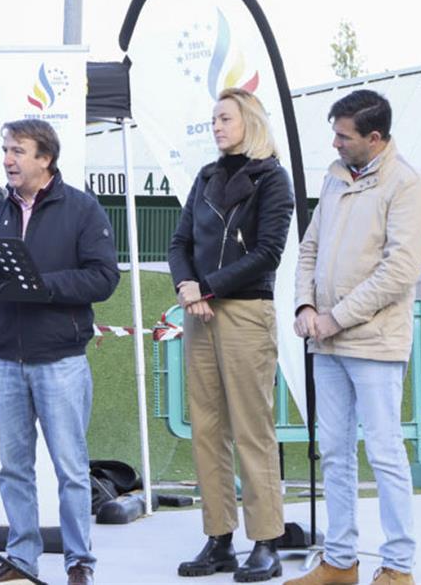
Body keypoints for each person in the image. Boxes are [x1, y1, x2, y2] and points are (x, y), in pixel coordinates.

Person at [288, 90, 421, 585]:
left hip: (373, 345)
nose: (335, 142)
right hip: (326, 343)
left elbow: (399, 271)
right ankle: (340, 560)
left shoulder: (408, 186)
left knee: (385, 453)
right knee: (333, 451)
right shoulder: (334, 179)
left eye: (344, 136)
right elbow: (309, 248)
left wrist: (337, 317)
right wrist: (305, 306)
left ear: (375, 138)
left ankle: (397, 567)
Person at [0, 119, 120, 585]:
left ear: (46, 158)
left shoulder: (82, 208)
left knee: (71, 470)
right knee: (14, 468)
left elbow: (104, 278)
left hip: (59, 360)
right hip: (5, 358)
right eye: (5, 150)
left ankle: (79, 561)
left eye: (18, 150)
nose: (7, 159)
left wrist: (38, 285)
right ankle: (21, 558)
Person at [167, 88, 294, 582]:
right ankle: (218, 539)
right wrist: (186, 286)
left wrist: (209, 287)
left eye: (224, 118)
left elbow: (267, 253)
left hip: (244, 312)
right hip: (199, 313)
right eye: (214, 119)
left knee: (251, 429)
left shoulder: (273, 180)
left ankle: (266, 542)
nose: (216, 126)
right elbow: (179, 242)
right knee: (206, 428)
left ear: (250, 121)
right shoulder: (205, 176)